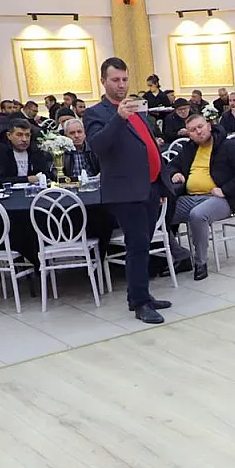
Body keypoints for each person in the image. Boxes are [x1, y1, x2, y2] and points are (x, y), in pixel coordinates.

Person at [84, 56, 171, 325]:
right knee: (137, 245)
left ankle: (141, 294)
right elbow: (98, 146)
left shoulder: (137, 108)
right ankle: (140, 303)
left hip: (149, 187)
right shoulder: (96, 113)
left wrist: (160, 182)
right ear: (103, 81)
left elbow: (148, 144)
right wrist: (119, 118)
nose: (121, 85)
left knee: (144, 244)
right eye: (115, 80)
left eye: (124, 79)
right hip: (125, 191)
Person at [165, 114, 235, 281]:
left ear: (208, 125)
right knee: (156, 214)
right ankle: (181, 256)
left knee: (198, 215)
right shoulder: (189, 148)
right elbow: (170, 166)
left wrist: (225, 189)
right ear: (189, 134)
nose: (198, 132)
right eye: (193, 130)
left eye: (200, 127)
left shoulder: (229, 146)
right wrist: (175, 173)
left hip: (223, 199)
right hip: (190, 197)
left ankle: (200, 262)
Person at [0, 118, 52, 185]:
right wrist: (26, 179)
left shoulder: (35, 151)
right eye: (19, 135)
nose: (24, 139)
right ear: (9, 135)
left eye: (27, 135)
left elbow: (46, 174)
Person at [60, 117, 100, 181]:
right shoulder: (61, 152)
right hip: (70, 184)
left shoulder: (94, 148)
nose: (76, 136)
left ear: (84, 133)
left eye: (79, 132)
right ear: (66, 136)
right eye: (72, 133)